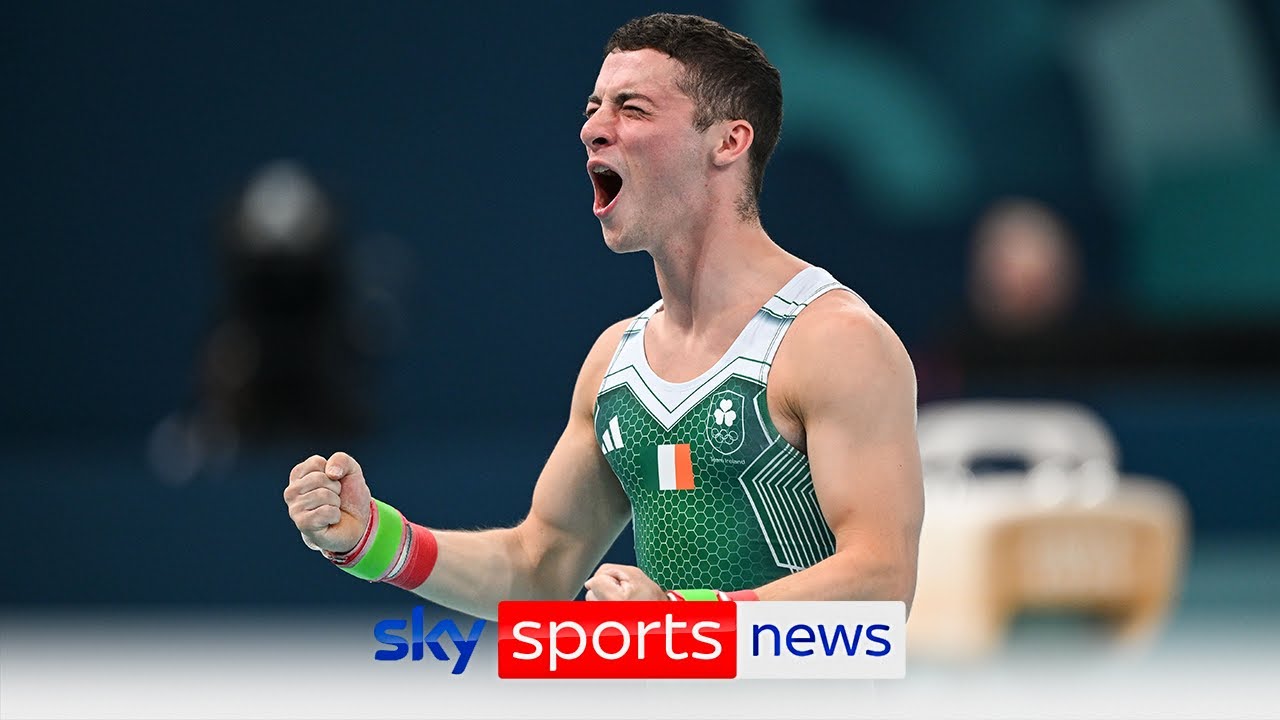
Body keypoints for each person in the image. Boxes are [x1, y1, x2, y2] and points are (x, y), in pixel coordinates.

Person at [283, 13, 923, 618]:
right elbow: (539, 568)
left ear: (729, 141)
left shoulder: (833, 340)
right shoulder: (617, 362)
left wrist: (685, 620)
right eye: (593, 108)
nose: (593, 128)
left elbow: (881, 582)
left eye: (632, 108)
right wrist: (372, 539)